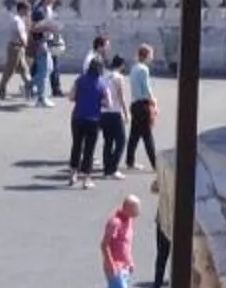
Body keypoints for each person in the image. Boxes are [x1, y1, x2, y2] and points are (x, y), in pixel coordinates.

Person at [96, 196, 140, 288]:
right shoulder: (115, 222)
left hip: (124, 267)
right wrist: (110, 263)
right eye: (136, 208)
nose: (138, 212)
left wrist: (130, 261)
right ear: (127, 207)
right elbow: (104, 244)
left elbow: (126, 244)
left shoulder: (129, 221)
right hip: (115, 267)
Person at [69, 53, 109, 185]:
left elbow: (71, 97)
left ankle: (73, 173)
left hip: (78, 117)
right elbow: (108, 103)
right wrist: (98, 102)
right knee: (89, 149)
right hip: (93, 119)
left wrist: (80, 98)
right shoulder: (102, 83)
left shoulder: (80, 79)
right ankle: (86, 178)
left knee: (76, 145)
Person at [124, 44, 161, 170]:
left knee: (134, 135)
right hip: (143, 105)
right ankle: (155, 164)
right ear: (146, 55)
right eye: (151, 54)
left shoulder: (134, 68)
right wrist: (154, 102)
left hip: (135, 104)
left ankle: (130, 161)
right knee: (147, 135)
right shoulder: (144, 69)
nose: (152, 57)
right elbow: (147, 88)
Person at [93, 47, 129, 176]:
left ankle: (107, 167)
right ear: (121, 65)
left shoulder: (104, 76)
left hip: (103, 112)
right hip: (115, 111)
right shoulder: (119, 77)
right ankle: (113, 167)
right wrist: (126, 113)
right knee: (121, 140)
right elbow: (121, 97)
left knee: (108, 141)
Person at [0, 1, 31, 99]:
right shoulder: (17, 20)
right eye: (27, 10)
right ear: (22, 9)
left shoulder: (21, 20)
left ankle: (30, 89)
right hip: (15, 48)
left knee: (24, 69)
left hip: (19, 48)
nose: (28, 12)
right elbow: (20, 33)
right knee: (10, 70)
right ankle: (2, 90)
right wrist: (25, 43)